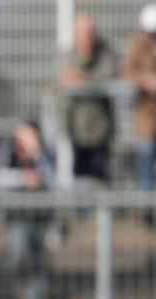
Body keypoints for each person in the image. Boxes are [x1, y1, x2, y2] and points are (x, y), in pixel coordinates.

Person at [0, 120, 56, 299]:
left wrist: (37, 154)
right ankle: (14, 286)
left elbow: (53, 176)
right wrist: (23, 177)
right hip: (18, 213)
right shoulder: (8, 149)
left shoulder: (45, 152)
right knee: (18, 252)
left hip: (40, 213)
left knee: (38, 258)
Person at [61, 13, 116, 181]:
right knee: (80, 177)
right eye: (85, 33)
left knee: (100, 176)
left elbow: (107, 76)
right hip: (77, 128)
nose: (89, 37)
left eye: (91, 32)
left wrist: (84, 78)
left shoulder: (105, 53)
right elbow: (64, 79)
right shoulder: (70, 55)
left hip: (100, 127)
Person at [125, 3, 156, 190]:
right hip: (146, 114)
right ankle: (145, 207)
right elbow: (128, 72)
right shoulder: (136, 45)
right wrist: (145, 81)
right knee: (147, 155)